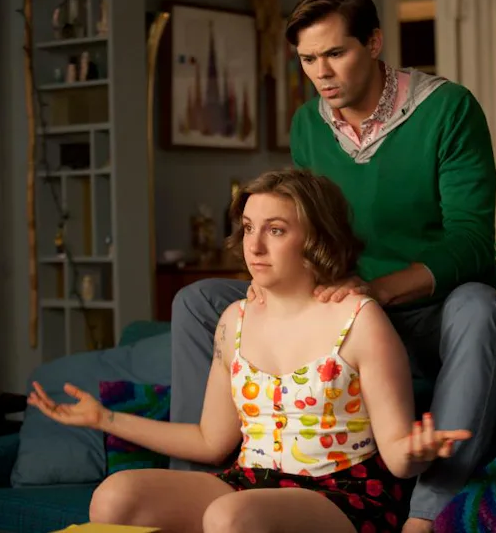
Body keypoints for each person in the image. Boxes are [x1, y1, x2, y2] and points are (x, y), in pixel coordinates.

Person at [169, 0, 496, 532]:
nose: (321, 72)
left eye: (335, 53)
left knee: (481, 307)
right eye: (308, 59)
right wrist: (274, 278)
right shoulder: (308, 124)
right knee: (198, 301)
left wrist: (378, 290)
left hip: (426, 308)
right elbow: (314, 227)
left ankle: (428, 513)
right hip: (336, 305)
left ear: (373, 43)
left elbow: (472, 241)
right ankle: (196, 487)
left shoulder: (448, 109)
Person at [28, 169, 473, 533]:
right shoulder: (233, 320)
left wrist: (416, 449)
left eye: (275, 230)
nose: (254, 245)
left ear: (316, 239)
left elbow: (396, 457)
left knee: (229, 518)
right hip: (249, 484)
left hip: (343, 495)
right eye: (247, 228)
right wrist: (104, 419)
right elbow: (210, 441)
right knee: (114, 496)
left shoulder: (360, 319)